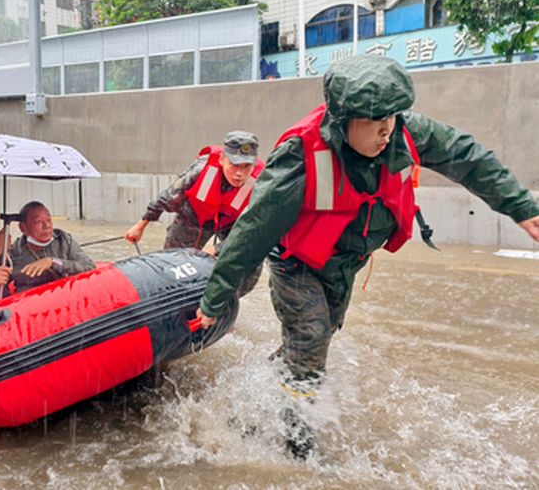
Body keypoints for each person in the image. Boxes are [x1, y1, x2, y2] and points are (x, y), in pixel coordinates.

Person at [194, 55, 539, 457]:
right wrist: (215, 299)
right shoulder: (301, 156)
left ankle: (254, 399)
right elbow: (253, 230)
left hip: (343, 266)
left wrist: (520, 206)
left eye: (391, 117)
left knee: (310, 346)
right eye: (374, 121)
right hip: (298, 265)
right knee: (309, 340)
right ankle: (296, 447)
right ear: (343, 121)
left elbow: (468, 157)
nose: (385, 130)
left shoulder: (404, 133)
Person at [125, 131, 267, 295]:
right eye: (234, 165)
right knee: (172, 263)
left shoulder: (262, 182)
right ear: (222, 159)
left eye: (246, 166)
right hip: (195, 216)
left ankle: (221, 302)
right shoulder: (202, 168)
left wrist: (216, 249)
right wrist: (141, 225)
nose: (239, 174)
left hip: (233, 223)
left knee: (252, 261)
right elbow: (169, 197)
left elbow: (254, 231)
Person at [9, 201, 95, 292]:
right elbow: (0, 287)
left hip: (63, 296)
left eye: (49, 220)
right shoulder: (14, 252)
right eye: (38, 222)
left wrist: (54, 262)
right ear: (23, 228)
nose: (47, 226)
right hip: (32, 302)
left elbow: (89, 266)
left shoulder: (64, 239)